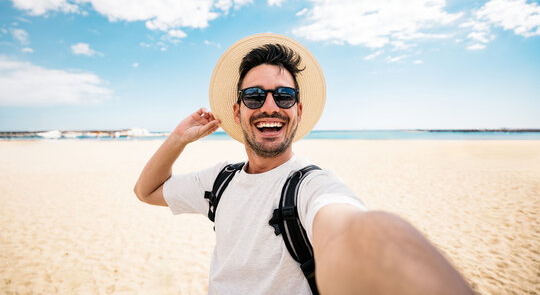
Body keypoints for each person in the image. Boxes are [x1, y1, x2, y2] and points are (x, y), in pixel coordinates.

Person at [134, 33, 474, 295]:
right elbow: (146, 191)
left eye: (284, 96)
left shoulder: (312, 186)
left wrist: (386, 239)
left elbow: (353, 232)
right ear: (238, 111)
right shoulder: (219, 181)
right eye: (254, 96)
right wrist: (179, 137)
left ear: (298, 110)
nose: (270, 106)